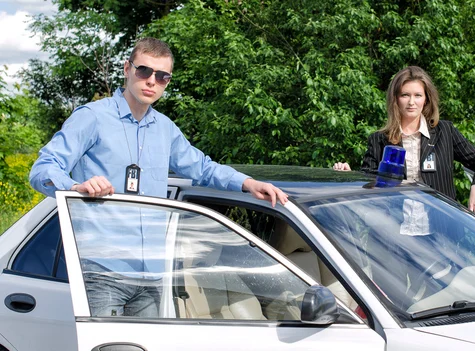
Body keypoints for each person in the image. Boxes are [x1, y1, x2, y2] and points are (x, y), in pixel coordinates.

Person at [29, 37, 288, 317]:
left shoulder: (165, 129)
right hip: (104, 273)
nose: (152, 81)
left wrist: (248, 183)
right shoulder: (92, 117)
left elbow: (202, 167)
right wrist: (76, 186)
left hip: (152, 275)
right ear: (127, 69)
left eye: (162, 76)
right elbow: (42, 169)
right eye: (144, 71)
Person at [333, 66, 475, 217]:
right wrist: (350, 176)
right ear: (395, 99)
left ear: (426, 99)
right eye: (405, 95)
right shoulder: (379, 139)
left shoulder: (445, 131)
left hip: (442, 231)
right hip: (396, 230)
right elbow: (369, 182)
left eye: (418, 95)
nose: (411, 102)